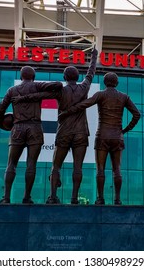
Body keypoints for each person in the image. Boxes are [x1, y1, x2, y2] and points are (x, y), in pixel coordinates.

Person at [12, 47, 98, 204]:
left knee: (56, 166)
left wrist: (24, 98)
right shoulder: (84, 87)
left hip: (64, 131)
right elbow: (91, 73)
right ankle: (74, 198)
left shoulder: (60, 92)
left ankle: (52, 196)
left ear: (64, 77)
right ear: (77, 77)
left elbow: (41, 95)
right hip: (80, 132)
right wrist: (94, 56)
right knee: (78, 167)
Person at [59, 72, 140, 205]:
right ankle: (117, 199)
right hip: (117, 136)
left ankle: (100, 198)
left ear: (104, 82)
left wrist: (67, 112)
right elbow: (136, 114)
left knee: (100, 169)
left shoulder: (100, 95)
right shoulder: (124, 97)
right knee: (117, 169)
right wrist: (125, 130)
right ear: (117, 83)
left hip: (102, 135)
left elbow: (84, 104)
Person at [0, 66, 63, 204]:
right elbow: (58, 85)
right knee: (31, 164)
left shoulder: (12, 90)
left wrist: (1, 124)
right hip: (34, 127)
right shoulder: (37, 85)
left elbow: (0, 109)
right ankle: (27, 197)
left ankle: (6, 197)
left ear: (21, 77)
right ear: (33, 76)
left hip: (18, 127)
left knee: (11, 164)